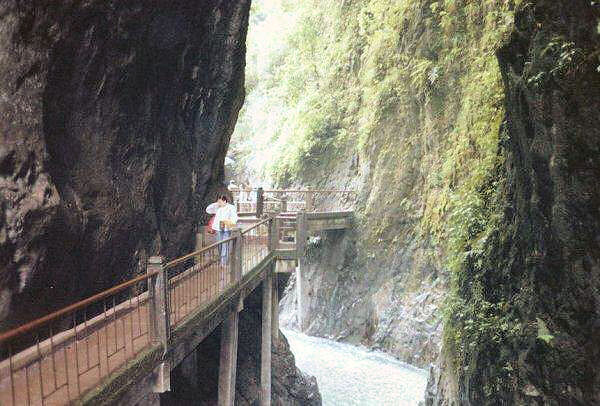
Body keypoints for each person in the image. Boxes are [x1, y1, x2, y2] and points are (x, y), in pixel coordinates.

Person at [206, 195, 238, 264]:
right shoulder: (218, 207)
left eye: (220, 202)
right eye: (218, 202)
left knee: (225, 244)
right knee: (219, 244)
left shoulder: (231, 207)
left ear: (225, 201)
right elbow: (208, 210)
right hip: (218, 228)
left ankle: (223, 262)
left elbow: (234, 217)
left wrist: (229, 223)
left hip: (227, 228)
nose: (219, 203)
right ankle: (221, 258)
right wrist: (216, 203)